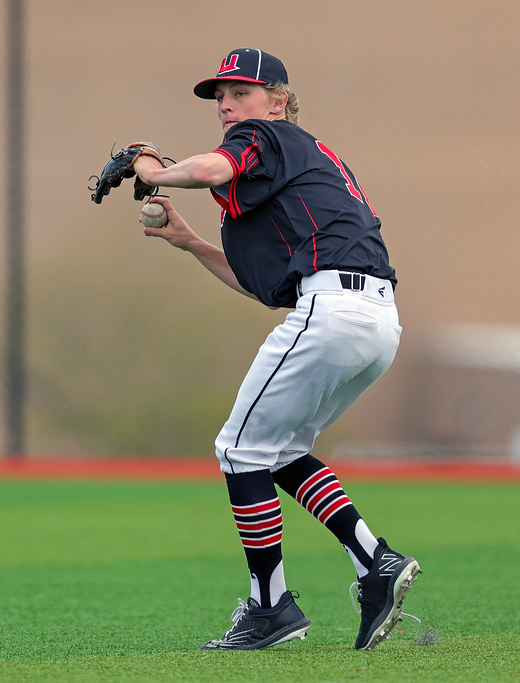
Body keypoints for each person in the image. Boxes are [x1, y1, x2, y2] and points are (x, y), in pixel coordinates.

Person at [131, 48, 420, 651]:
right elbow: (264, 287)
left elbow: (212, 170)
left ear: (279, 100)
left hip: (334, 311)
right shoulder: (300, 162)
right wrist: (189, 242)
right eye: (220, 97)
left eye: (240, 91)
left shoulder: (267, 135)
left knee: (238, 450)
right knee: (281, 450)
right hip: (373, 319)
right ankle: (377, 562)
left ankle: (271, 609)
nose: (228, 105)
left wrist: (152, 169)